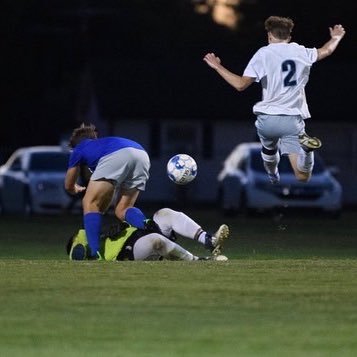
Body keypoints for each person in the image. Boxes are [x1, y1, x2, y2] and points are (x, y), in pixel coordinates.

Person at [203, 16, 346, 184]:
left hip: (267, 119)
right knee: (302, 176)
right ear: (289, 37)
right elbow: (326, 50)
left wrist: (217, 66)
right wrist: (336, 37)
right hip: (292, 121)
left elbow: (240, 85)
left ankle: (273, 175)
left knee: (269, 151)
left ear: (269, 35)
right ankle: (307, 152)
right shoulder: (301, 51)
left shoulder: (263, 53)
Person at [64, 123, 151, 259]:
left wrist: (74, 188)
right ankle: (148, 226)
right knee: (122, 210)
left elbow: (68, 185)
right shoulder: (101, 145)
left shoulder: (79, 148)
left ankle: (94, 253)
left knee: (89, 203)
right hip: (141, 154)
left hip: (117, 156)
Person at [66, 208, 230, 261]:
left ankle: (209, 240)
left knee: (163, 214)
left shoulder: (100, 230)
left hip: (138, 233)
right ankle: (196, 261)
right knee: (156, 241)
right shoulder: (81, 235)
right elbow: (77, 252)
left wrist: (143, 222)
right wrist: (101, 238)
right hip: (127, 251)